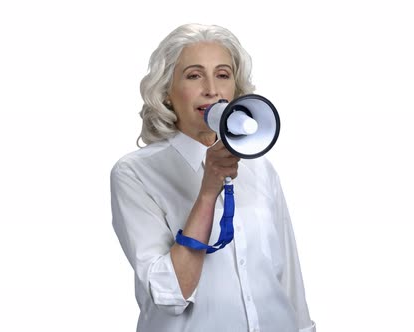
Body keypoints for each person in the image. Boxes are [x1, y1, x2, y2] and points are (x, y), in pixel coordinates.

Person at [110, 23, 316, 332]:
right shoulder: (136, 174)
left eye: (223, 75)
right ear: (166, 92)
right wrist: (208, 191)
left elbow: (287, 275)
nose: (212, 89)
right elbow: (170, 295)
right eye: (194, 75)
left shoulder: (261, 169)